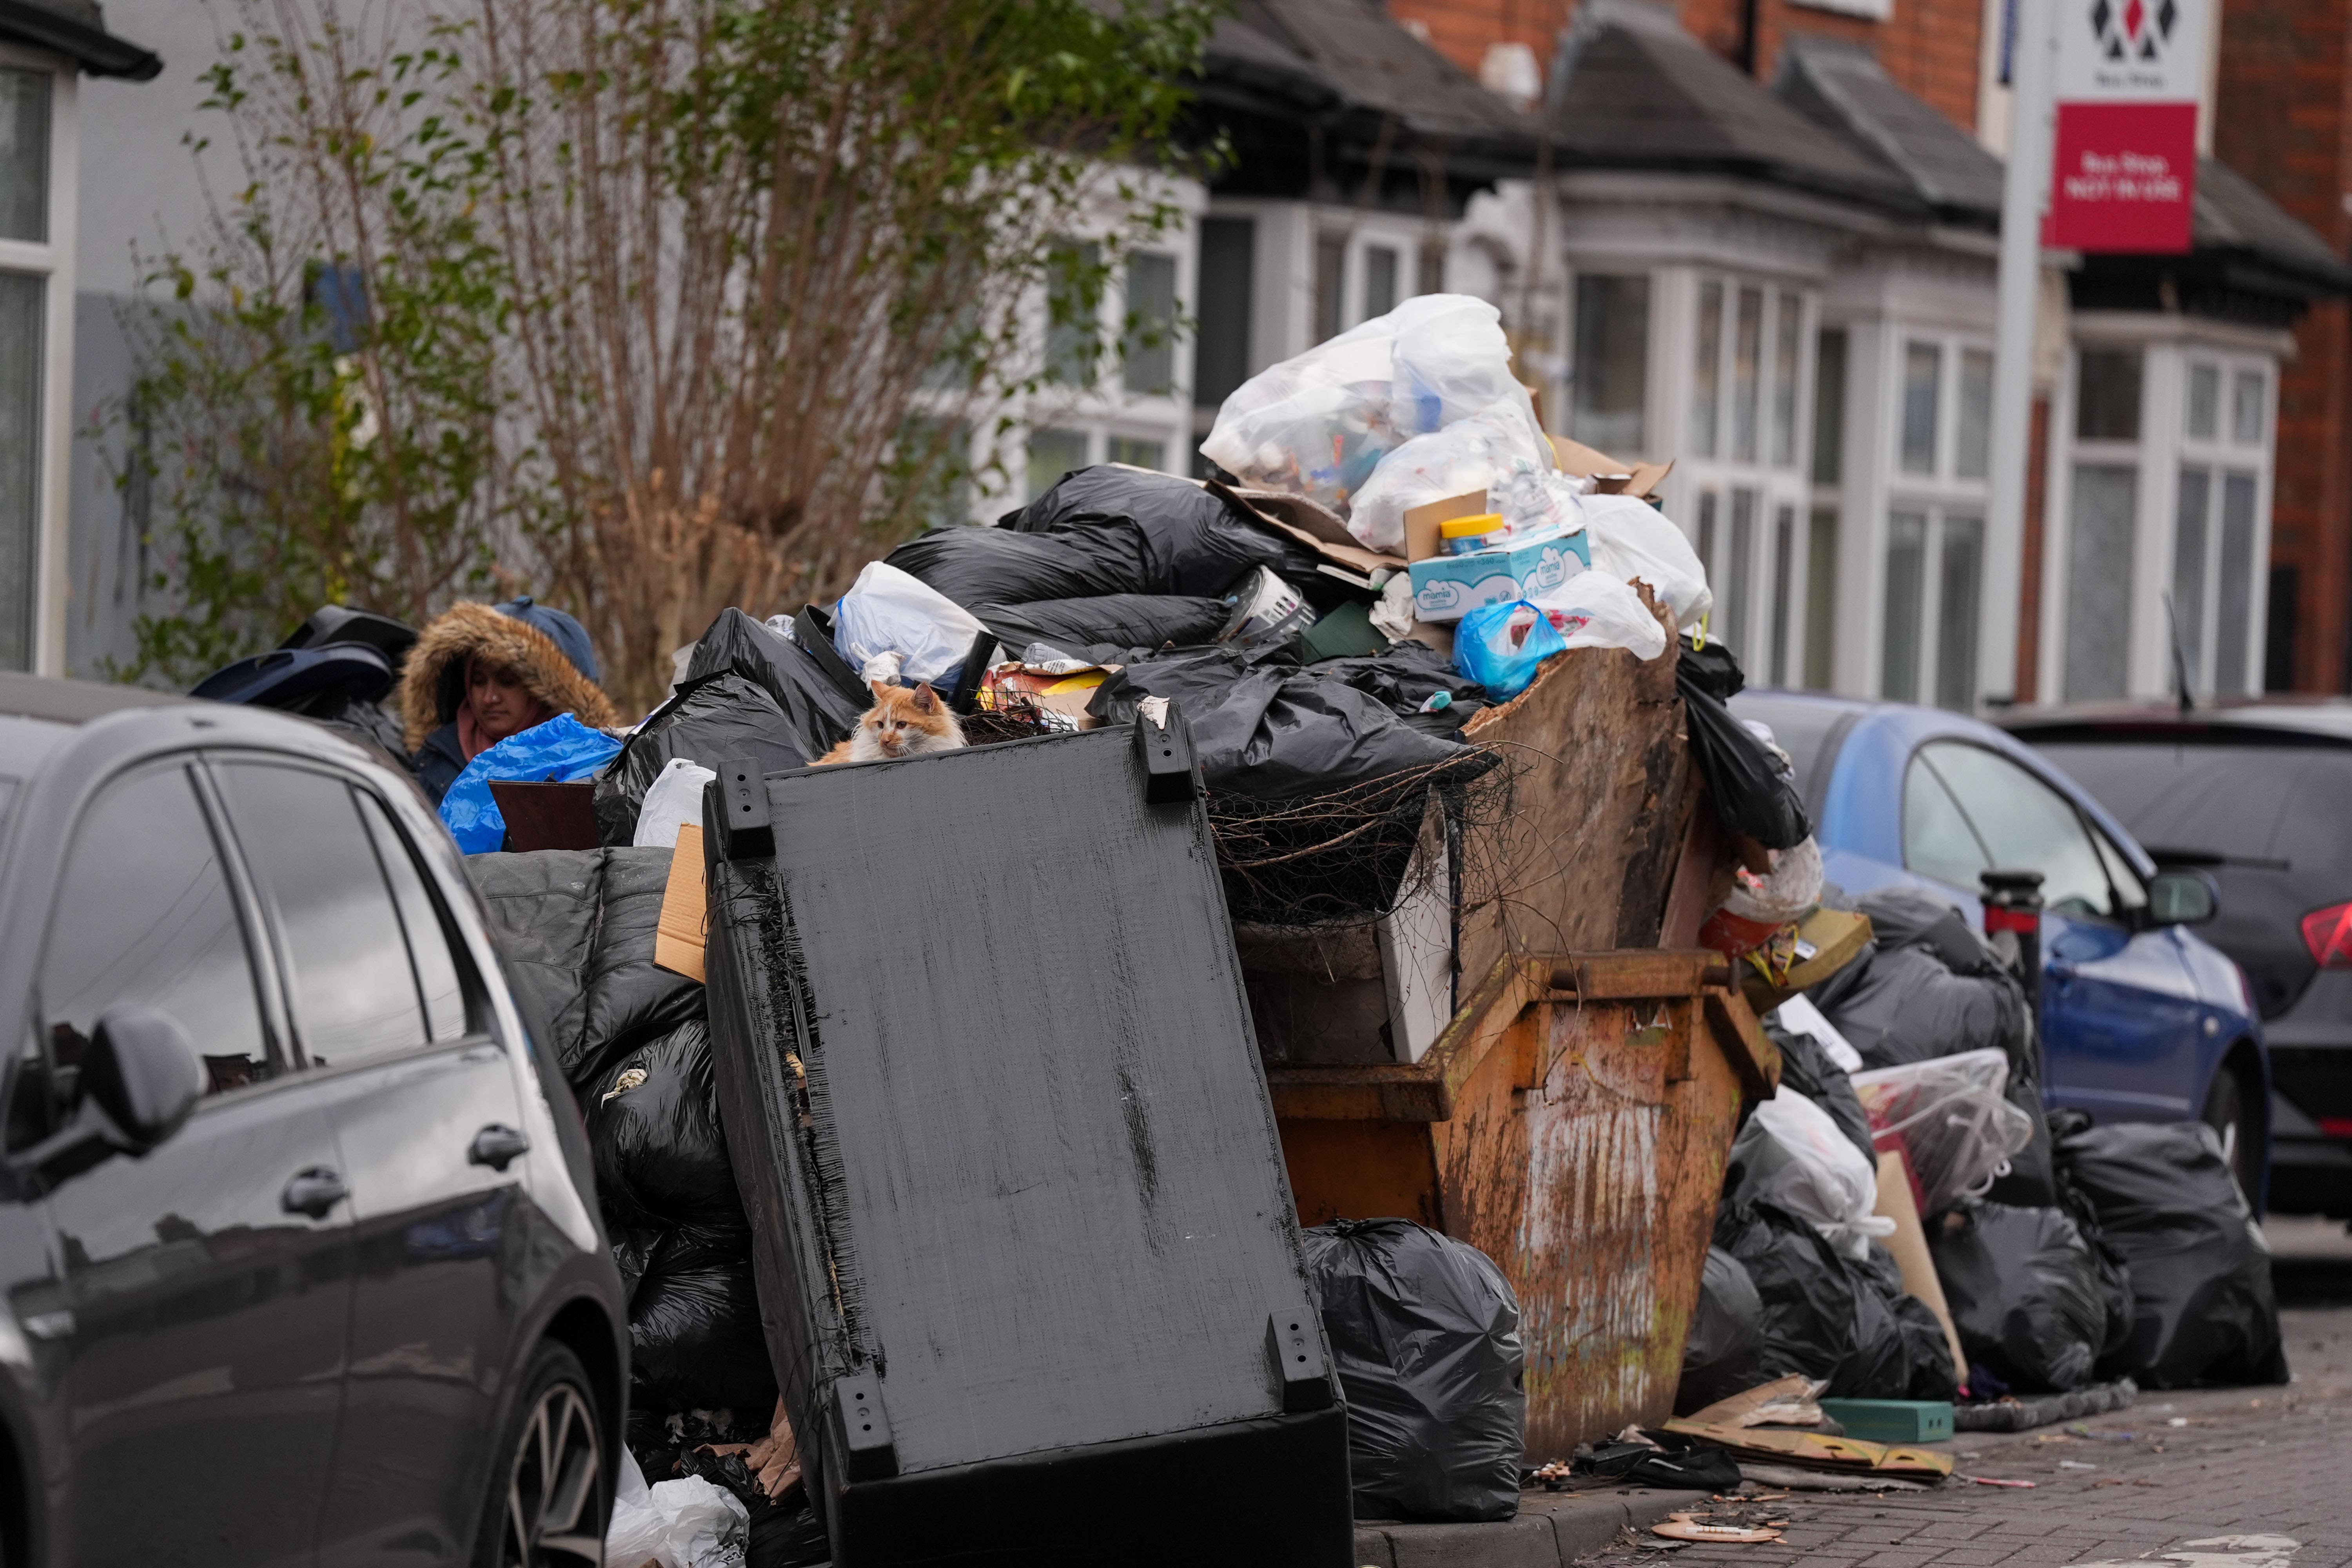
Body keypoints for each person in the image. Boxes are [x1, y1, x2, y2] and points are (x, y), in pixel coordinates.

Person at [399, 596, 619, 805]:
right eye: (478, 681)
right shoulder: (435, 757)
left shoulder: (590, 768)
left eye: (507, 682)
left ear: (544, 691)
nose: (490, 698)